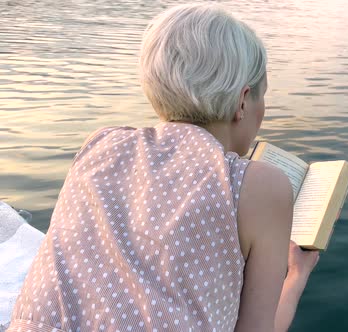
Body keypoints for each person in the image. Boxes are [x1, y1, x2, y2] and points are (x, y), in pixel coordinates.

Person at [8, 4, 319, 332]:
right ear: (243, 101)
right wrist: (296, 277)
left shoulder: (99, 146)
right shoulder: (260, 185)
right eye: (263, 97)